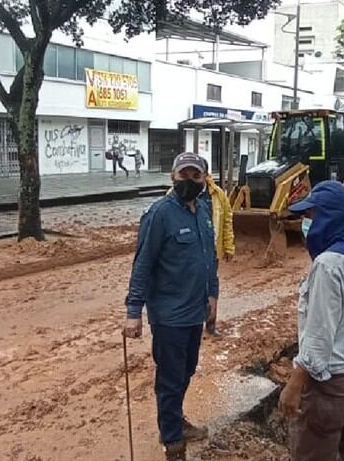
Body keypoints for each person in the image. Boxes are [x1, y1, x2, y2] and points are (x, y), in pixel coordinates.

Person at [123, 152, 219, 461]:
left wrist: (213, 295)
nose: (189, 181)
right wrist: (134, 312)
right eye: (183, 175)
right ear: (173, 177)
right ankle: (173, 442)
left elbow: (210, 257)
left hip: (195, 311)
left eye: (196, 176)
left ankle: (175, 421)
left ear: (204, 179)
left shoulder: (204, 210)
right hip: (169, 316)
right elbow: (143, 264)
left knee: (186, 370)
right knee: (170, 379)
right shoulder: (159, 214)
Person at [278, 180, 344, 461]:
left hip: (332, 387)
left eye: (311, 216)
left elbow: (319, 335)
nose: (306, 224)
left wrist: (295, 385)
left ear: (328, 217)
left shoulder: (328, 265)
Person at [197, 157, 234, 335]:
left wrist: (228, 246)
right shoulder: (173, 194)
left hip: (211, 252)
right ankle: (191, 325)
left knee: (211, 286)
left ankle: (210, 324)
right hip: (186, 252)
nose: (191, 179)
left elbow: (227, 220)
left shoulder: (218, 195)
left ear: (206, 175)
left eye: (197, 174)